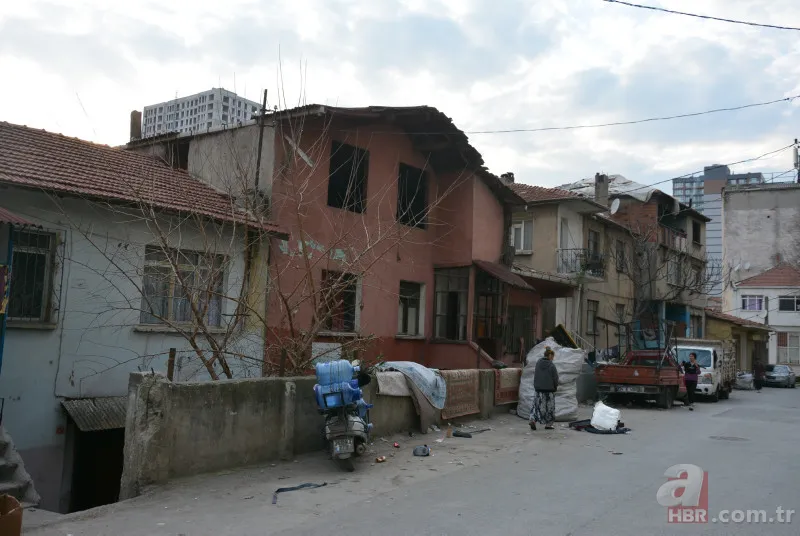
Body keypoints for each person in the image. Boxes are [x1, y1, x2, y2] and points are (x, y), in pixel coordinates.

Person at [530, 346, 559, 430]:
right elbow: (555, 378)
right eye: (553, 356)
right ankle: (548, 424)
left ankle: (532, 420)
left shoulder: (538, 363)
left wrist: (536, 386)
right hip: (549, 390)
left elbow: (535, 375)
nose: (553, 358)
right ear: (550, 355)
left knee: (536, 406)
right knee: (549, 408)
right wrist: (555, 387)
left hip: (538, 390)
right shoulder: (552, 365)